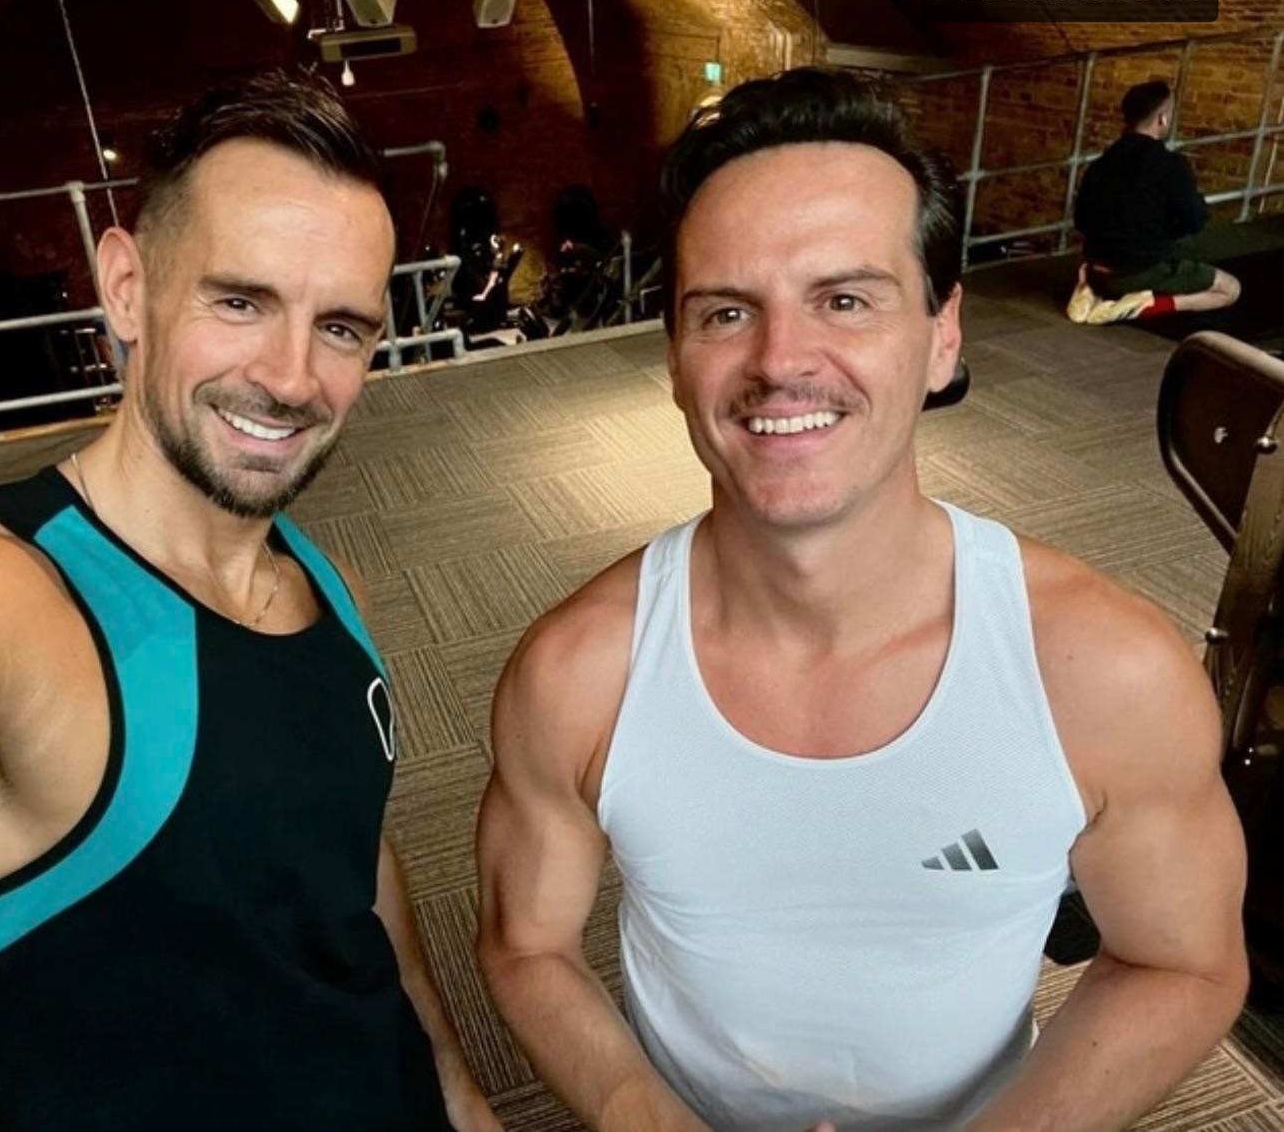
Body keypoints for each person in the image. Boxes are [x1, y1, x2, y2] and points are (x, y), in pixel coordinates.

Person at [476, 69, 1248, 1131]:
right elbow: (524, 942)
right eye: (726, 311)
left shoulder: (1106, 673)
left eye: (844, 299)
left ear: (942, 335)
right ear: (675, 360)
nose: (781, 360)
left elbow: (1184, 960)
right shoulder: (577, 673)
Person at [0, 71, 496, 1131]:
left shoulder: (330, 582)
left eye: (341, 328)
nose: (291, 377)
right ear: (127, 287)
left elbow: (348, 858)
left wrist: (453, 1082)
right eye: (239, 301)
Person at [1069, 79, 1241, 325]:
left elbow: (1081, 219)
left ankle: (1091, 287)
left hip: (1097, 264)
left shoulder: (1100, 164)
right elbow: (1193, 220)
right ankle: (1140, 307)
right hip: (1138, 268)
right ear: (1162, 118)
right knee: (1229, 289)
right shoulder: (1170, 165)